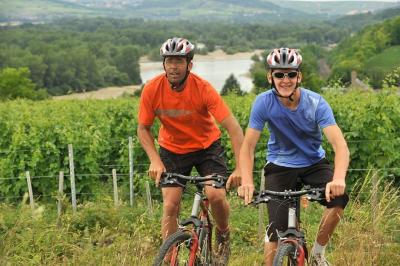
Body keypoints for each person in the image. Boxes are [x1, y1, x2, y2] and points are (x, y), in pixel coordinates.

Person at [238, 47, 350, 266]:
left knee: (339, 200)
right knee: (275, 233)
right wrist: (247, 182)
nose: (285, 79)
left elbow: (340, 146)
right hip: (279, 165)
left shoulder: (316, 103)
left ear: (299, 76)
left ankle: (318, 254)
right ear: (270, 77)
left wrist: (338, 179)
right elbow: (247, 147)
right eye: (279, 74)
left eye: (290, 74)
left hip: (313, 163)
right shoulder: (263, 102)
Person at [137, 37, 244, 265]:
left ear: (189, 65)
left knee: (215, 194)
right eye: (169, 61)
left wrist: (240, 167)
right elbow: (143, 129)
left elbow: (234, 129)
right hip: (172, 149)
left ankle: (223, 234)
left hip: (207, 147)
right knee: (170, 204)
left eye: (179, 61)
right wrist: (155, 160)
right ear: (163, 64)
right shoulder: (152, 89)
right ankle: (168, 256)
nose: (173, 66)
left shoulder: (203, 88)